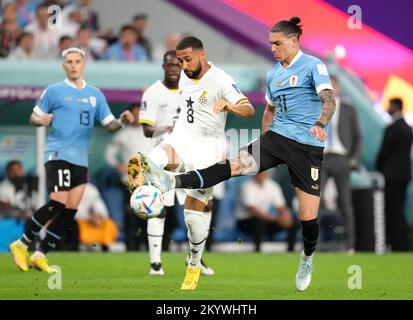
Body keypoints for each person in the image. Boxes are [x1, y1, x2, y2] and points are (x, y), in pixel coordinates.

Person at [129, 17, 336, 292]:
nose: (272, 48)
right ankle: (171, 182)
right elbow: (269, 111)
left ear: (293, 40)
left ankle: (307, 257)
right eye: (270, 44)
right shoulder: (273, 74)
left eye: (277, 43)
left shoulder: (313, 65)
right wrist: (265, 140)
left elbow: (329, 100)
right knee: (231, 166)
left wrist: (320, 124)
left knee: (308, 219)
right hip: (276, 140)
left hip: (307, 147)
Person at [127, 36, 255, 289]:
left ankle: (194, 263)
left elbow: (249, 109)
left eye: (187, 60)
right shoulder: (185, 75)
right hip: (181, 140)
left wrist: (229, 106)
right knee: (151, 159)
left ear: (202, 55)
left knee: (193, 218)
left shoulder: (221, 79)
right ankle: (146, 187)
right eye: (180, 60)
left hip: (208, 149)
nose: (183, 66)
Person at [9, 47, 134, 274]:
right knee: (58, 201)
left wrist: (122, 120)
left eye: (77, 61)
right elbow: (33, 117)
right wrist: (41, 120)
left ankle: (40, 255)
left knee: (71, 209)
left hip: (80, 159)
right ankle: (21, 244)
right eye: (69, 61)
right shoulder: (54, 91)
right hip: (57, 154)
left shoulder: (96, 94)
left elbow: (109, 125)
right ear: (63, 65)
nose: (73, 65)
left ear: (83, 64)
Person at [321, 75, 362, 254]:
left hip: (341, 158)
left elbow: (358, 136)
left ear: (338, 88)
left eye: (333, 85)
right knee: (314, 201)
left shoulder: (348, 109)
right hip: (321, 158)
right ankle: (314, 242)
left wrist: (353, 159)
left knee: (345, 203)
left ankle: (350, 244)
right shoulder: (314, 107)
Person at [104, 103, 152, 250]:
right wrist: (118, 165)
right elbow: (109, 154)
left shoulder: (151, 132)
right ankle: (131, 248)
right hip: (130, 182)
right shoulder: (123, 134)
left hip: (150, 183)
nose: (137, 117)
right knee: (131, 217)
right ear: (130, 116)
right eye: (135, 114)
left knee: (148, 217)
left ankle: (149, 248)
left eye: (140, 113)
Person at [376, 98, 413, 252]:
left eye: (389, 106)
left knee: (391, 210)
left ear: (395, 107)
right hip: (404, 175)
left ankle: (394, 244)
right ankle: (402, 244)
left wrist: (379, 167)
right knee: (400, 209)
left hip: (391, 177)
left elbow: (383, 153)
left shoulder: (391, 129)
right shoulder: (408, 128)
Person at [236, 171, 298, 252]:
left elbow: (281, 205)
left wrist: (285, 216)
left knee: (293, 221)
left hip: (265, 220)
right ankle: (258, 251)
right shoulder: (247, 186)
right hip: (245, 222)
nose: (262, 175)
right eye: (260, 173)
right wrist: (275, 219)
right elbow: (252, 210)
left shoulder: (273, 186)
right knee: (259, 221)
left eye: (264, 173)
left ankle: (290, 251)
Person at [76, 182, 118, 251]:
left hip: (94, 219)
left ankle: (105, 245)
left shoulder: (91, 189)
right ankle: (84, 245)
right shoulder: (71, 188)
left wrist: (98, 215)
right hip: (81, 220)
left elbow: (99, 205)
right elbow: (74, 210)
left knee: (109, 223)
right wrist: (89, 217)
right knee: (76, 225)